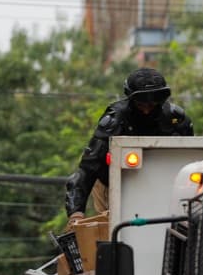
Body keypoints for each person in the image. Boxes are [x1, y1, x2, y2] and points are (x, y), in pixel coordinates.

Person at [65, 67, 193, 220]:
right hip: (113, 183)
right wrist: (76, 214)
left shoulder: (176, 120)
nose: (146, 111)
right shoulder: (114, 120)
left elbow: (190, 163)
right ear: (131, 100)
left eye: (152, 105)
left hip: (160, 182)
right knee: (115, 229)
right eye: (141, 105)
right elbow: (87, 169)